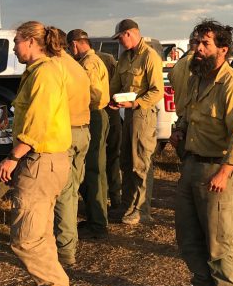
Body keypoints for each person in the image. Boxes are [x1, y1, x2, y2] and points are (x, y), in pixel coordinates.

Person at [0, 21, 81, 286]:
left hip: (40, 162)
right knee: (40, 236)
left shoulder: (44, 73)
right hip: (46, 161)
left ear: (32, 42)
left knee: (25, 240)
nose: (14, 47)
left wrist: (13, 156)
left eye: (16, 41)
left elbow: (37, 123)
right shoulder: (42, 71)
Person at [169, 20, 233, 286]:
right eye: (196, 42)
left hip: (219, 169)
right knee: (188, 235)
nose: (198, 49)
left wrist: (225, 171)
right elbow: (187, 115)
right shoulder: (196, 80)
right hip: (192, 164)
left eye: (205, 44)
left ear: (223, 48)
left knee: (219, 238)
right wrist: (179, 130)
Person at [108, 19, 164, 224]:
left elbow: (157, 91)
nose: (120, 42)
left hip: (143, 113)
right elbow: (116, 84)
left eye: (120, 37)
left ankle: (142, 210)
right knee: (126, 160)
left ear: (130, 33)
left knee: (140, 162)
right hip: (128, 113)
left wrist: (136, 103)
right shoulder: (124, 57)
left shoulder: (150, 57)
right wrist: (111, 99)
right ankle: (127, 205)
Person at [50, 28, 91, 266]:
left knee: (64, 193)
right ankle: (69, 241)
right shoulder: (77, 66)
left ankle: (65, 250)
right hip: (82, 131)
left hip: (65, 133)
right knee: (72, 190)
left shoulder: (55, 68)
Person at [67, 29, 111, 240]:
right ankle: (98, 218)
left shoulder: (88, 64)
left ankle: (98, 223)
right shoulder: (95, 60)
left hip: (93, 115)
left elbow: (92, 94)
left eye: (70, 47)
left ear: (75, 45)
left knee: (92, 170)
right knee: (96, 169)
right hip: (96, 115)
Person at [96, 47, 123, 211]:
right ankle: (115, 199)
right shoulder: (110, 60)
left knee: (98, 159)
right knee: (114, 158)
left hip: (98, 112)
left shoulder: (86, 63)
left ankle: (100, 200)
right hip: (111, 111)